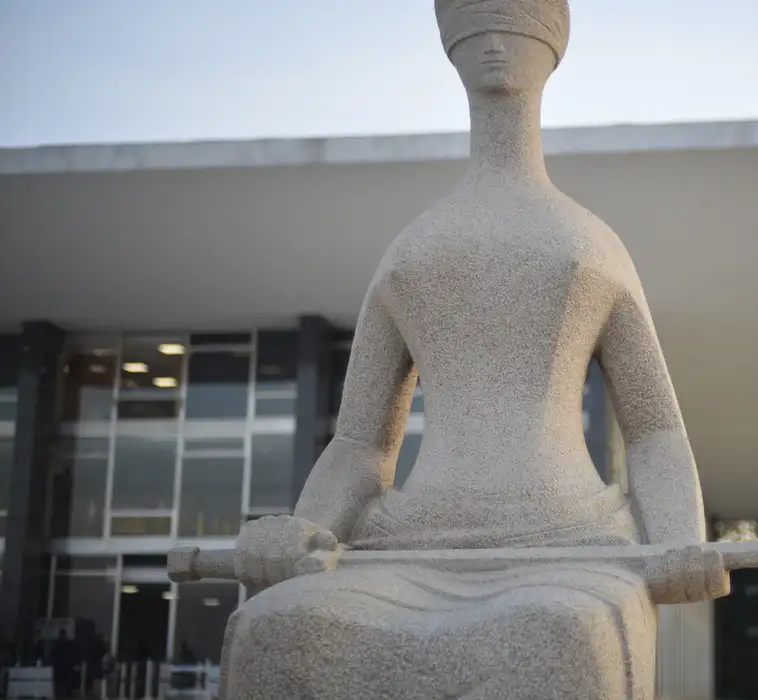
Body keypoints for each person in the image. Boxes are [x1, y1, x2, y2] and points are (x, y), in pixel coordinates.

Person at [220, 2, 726, 698]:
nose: (494, 41)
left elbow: (656, 429)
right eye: (476, 20)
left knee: (556, 635)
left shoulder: (589, 246)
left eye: (512, 18)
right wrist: (302, 531)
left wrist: (678, 539)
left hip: (570, 542)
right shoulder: (412, 254)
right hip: (406, 544)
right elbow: (362, 444)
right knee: (278, 630)